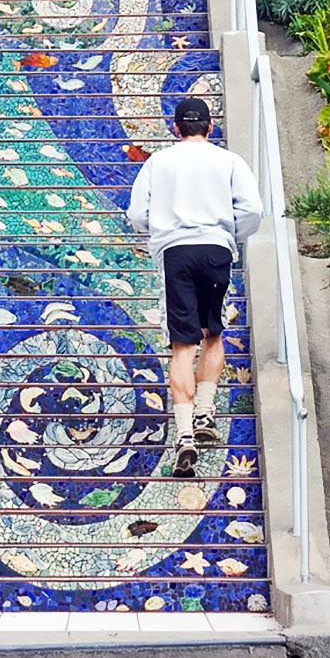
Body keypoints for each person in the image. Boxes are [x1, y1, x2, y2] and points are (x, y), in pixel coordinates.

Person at [127, 95, 263, 478]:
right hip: (216, 249)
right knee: (213, 333)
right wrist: (229, 236)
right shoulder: (230, 161)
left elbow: (137, 213)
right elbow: (253, 210)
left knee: (183, 344)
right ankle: (206, 411)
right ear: (209, 127)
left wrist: (159, 230)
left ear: (175, 128)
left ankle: (185, 435)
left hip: (176, 253)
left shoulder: (158, 162)